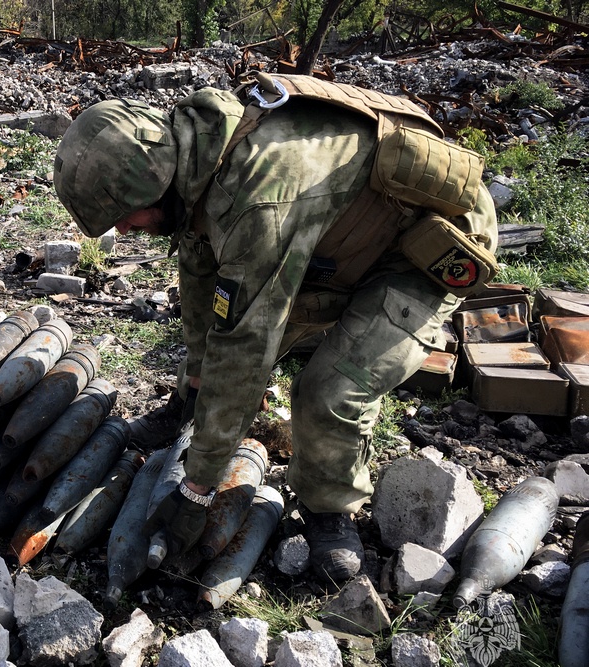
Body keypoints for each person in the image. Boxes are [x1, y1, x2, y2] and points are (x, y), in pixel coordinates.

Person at [52, 73, 498, 585]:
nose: (123, 231)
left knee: (330, 389)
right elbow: (204, 284)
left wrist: (197, 490)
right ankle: (189, 408)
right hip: (335, 238)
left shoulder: (258, 198)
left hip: (419, 248)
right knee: (226, 343)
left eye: (125, 217)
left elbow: (246, 348)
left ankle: (329, 508)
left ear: (154, 183)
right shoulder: (197, 157)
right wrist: (196, 388)